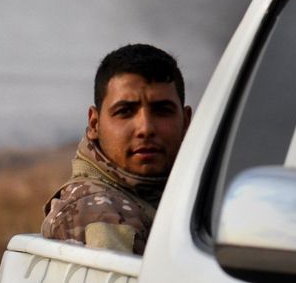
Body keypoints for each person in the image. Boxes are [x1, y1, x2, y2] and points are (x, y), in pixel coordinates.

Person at [42, 43, 192, 255]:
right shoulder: (99, 212)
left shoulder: (184, 191)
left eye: (162, 111)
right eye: (125, 111)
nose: (146, 128)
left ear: (185, 122)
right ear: (95, 124)